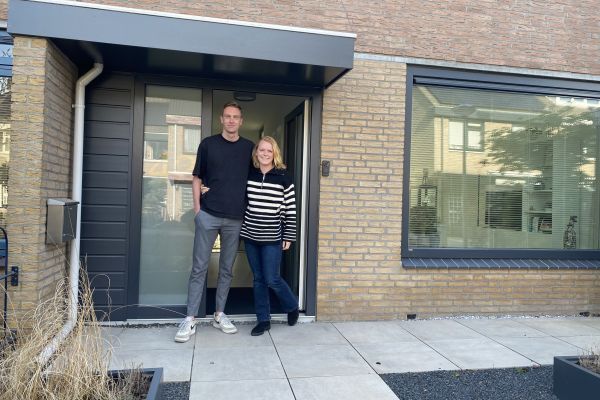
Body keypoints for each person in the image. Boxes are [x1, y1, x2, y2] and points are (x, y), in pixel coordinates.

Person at [175, 101, 254, 343]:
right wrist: (197, 209)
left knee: (227, 269)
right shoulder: (208, 145)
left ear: (241, 121)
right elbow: (196, 177)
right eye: (227, 116)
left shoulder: (249, 148)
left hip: (235, 218)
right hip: (208, 215)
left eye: (235, 117)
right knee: (199, 267)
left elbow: (256, 178)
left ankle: (219, 314)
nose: (231, 120)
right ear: (221, 119)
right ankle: (190, 318)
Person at [239, 136, 300, 336]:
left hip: (273, 236)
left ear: (275, 154)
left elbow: (290, 209)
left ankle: (292, 306)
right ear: (256, 152)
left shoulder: (284, 176)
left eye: (269, 150)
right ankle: (263, 320)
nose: (265, 154)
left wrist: (289, 235)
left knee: (272, 278)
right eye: (262, 150)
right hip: (250, 234)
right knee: (258, 279)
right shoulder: (249, 174)